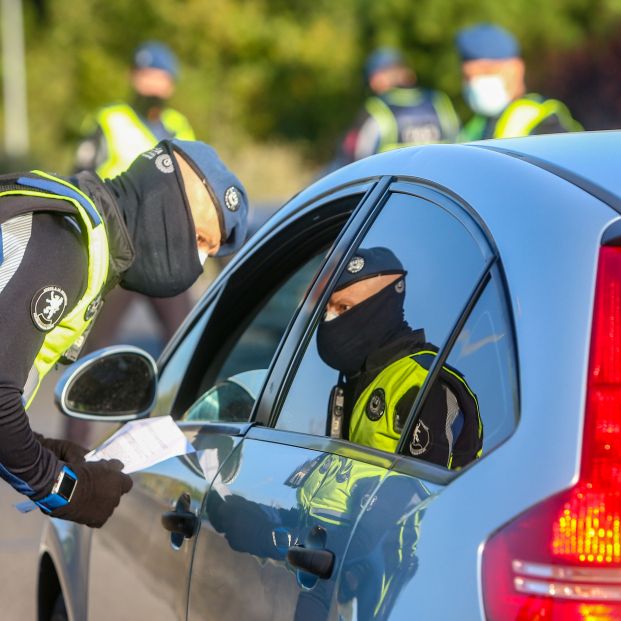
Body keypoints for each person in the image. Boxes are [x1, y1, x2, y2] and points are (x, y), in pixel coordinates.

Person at [0, 138, 248, 528]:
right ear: (166, 202)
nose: (198, 262)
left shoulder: (68, 224)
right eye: (200, 239)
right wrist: (62, 487)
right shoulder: (68, 243)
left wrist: (43, 450)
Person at [70, 42, 199, 444]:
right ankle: (73, 450)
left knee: (190, 340)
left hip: (163, 254)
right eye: (146, 74)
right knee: (93, 349)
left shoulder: (180, 127)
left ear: (171, 83)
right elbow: (79, 178)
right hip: (117, 253)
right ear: (133, 78)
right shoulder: (110, 120)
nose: (152, 83)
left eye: (160, 76)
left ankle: (178, 439)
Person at [316, 247, 482, 468]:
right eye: (326, 310)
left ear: (380, 308)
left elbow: (422, 496)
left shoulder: (424, 384)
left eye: (343, 308)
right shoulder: (359, 380)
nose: (330, 319)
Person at [335, 47, 460, 166]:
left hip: (393, 187)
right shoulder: (439, 101)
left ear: (376, 78)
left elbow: (353, 161)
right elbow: (461, 147)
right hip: (438, 185)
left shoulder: (376, 108)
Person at [456, 23, 582, 141]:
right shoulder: (474, 126)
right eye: (468, 76)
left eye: (486, 72)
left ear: (517, 68)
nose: (475, 83)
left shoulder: (544, 120)